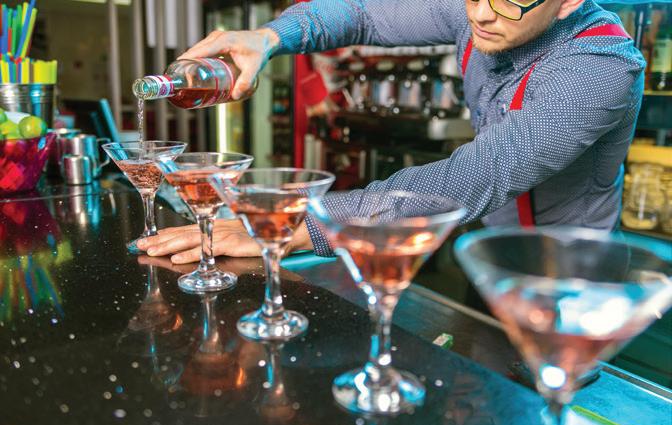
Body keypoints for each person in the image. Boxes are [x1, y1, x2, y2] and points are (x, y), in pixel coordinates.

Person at [137, 0, 645, 263]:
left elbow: (475, 176)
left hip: (569, 277)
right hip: (490, 251)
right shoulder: (486, 9)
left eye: (513, 1)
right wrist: (268, 36)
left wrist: (300, 225)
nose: (481, 15)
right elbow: (360, 14)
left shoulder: (599, 68)